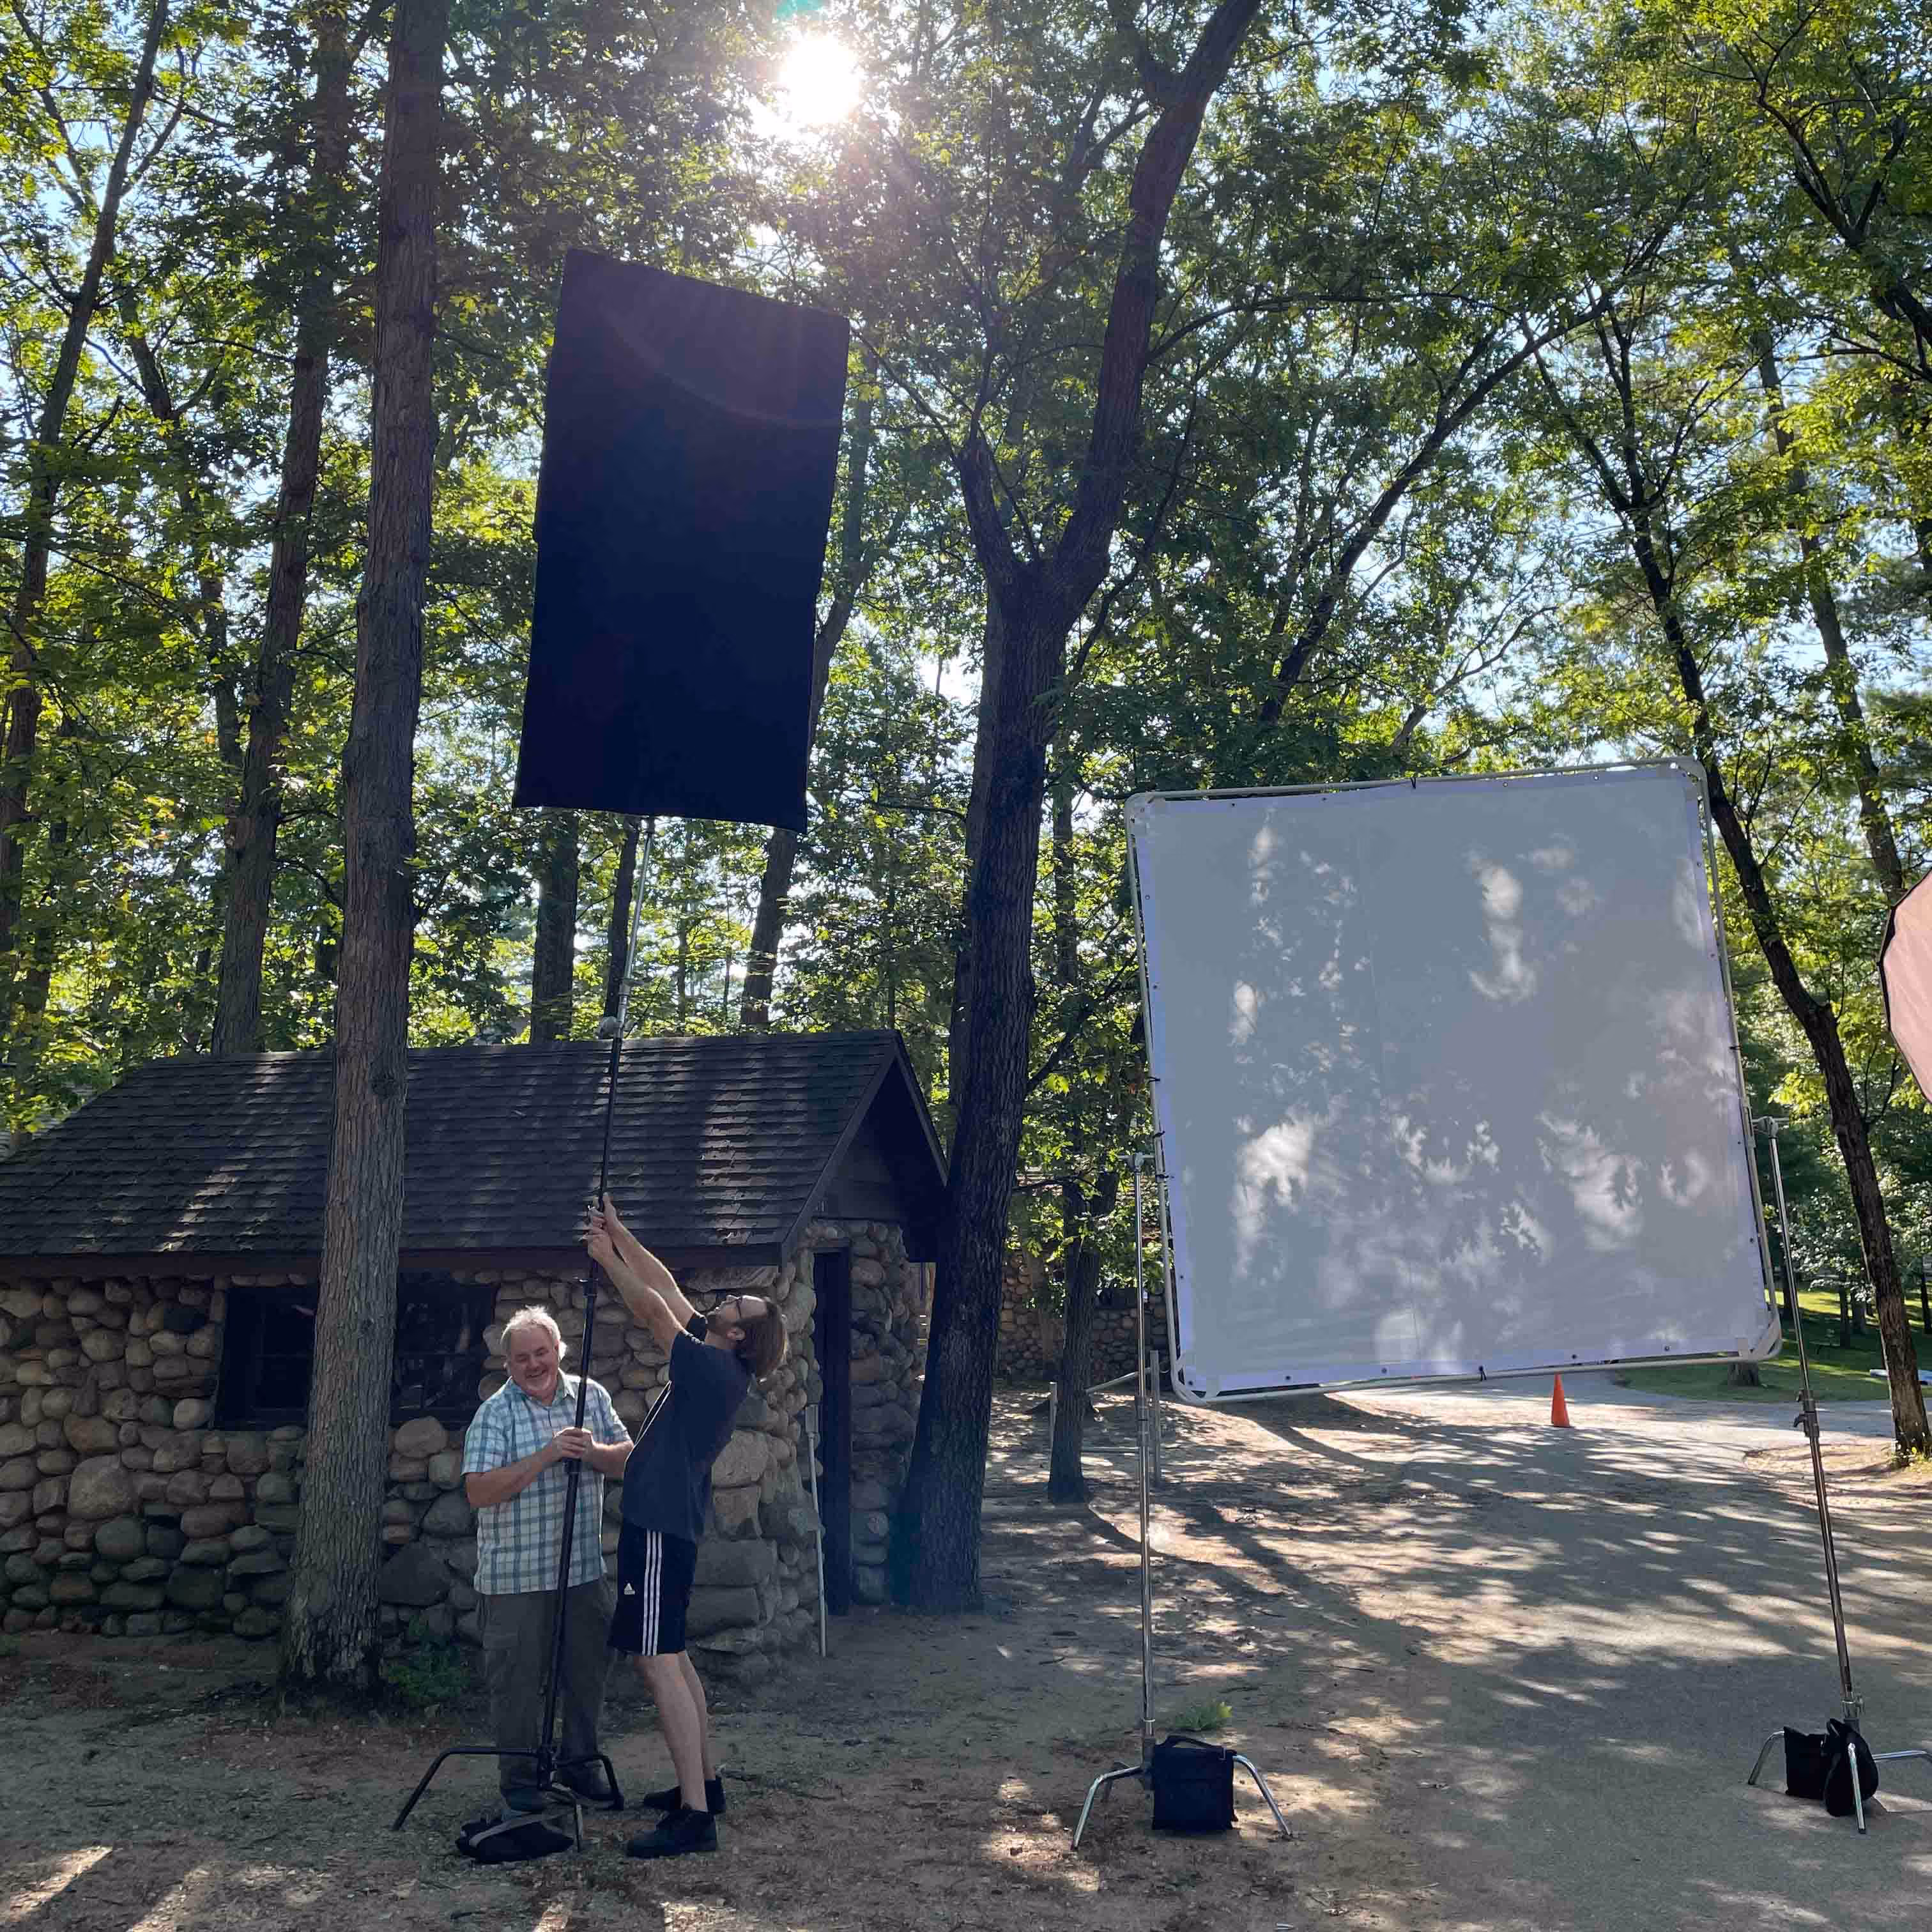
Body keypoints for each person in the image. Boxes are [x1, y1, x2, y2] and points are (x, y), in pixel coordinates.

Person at [586, 1193, 789, 1860]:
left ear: (739, 1335)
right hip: (671, 1520)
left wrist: (602, 1260)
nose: (728, 1302)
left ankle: (695, 1819)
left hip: (657, 1523)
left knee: (654, 1660)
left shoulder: (710, 1367)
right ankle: (704, 1784)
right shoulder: (720, 1356)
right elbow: (668, 1287)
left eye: (738, 1308)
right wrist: (620, 1233)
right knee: (672, 1654)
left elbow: (649, 1308)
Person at [461, 1305, 633, 1818]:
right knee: (515, 1682)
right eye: (522, 1358)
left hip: (582, 1571)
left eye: (542, 1352)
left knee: (587, 1675)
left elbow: (628, 1457)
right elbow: (478, 1491)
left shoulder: (590, 1397)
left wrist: (592, 1452)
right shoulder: (496, 1413)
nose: (534, 1364)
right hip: (514, 1579)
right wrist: (546, 1456)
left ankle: (579, 1764)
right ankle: (521, 1783)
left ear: (558, 1350)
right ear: (508, 1364)